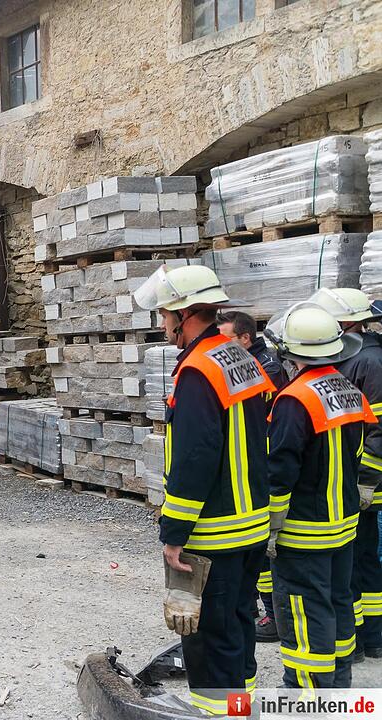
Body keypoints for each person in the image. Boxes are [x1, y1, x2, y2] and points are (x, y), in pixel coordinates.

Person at [133, 264, 273, 715]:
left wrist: (173, 534)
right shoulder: (238, 357)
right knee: (237, 630)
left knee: (208, 644)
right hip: (251, 524)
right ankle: (239, 708)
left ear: (185, 313)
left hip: (215, 532)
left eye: (164, 314)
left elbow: (195, 458)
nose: (162, 323)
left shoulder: (196, 371)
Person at [264, 302, 375, 688]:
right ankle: (338, 686)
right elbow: (360, 453)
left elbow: (280, 471)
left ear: (290, 352)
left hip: (305, 530)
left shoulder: (294, 400)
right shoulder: (348, 391)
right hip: (343, 525)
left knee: (303, 610)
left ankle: (308, 695)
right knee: (338, 603)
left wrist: (272, 528)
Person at [309, 288, 382, 661]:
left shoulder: (368, 362)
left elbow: (379, 431)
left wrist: (365, 482)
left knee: (357, 565)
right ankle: (367, 639)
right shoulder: (355, 358)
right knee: (356, 565)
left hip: (362, 486)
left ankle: (365, 639)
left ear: (346, 322)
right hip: (350, 485)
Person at [218, 309, 290, 643]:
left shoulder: (267, 369)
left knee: (263, 553)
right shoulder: (252, 363)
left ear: (245, 338)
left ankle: (272, 617)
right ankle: (259, 611)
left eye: (226, 338)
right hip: (257, 464)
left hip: (265, 465)